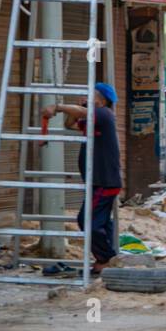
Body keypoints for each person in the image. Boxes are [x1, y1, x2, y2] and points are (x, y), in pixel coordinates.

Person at [40, 82, 122, 274]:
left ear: (101, 100)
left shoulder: (104, 114)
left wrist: (57, 106)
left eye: (90, 95)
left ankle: (105, 259)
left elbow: (83, 114)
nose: (85, 97)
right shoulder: (92, 117)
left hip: (105, 181)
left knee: (87, 221)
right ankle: (109, 258)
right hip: (97, 182)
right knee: (100, 222)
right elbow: (70, 124)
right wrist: (77, 109)